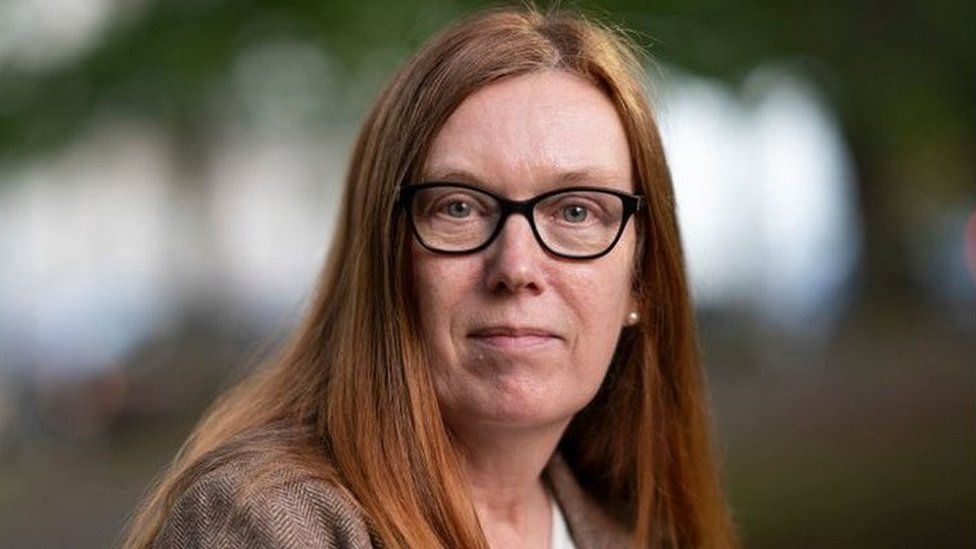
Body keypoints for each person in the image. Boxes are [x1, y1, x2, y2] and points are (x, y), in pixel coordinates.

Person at [124, 6, 736, 548]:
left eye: (576, 211)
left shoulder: (635, 533)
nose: (516, 268)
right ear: (383, 259)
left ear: (640, 281)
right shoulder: (265, 525)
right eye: (459, 207)